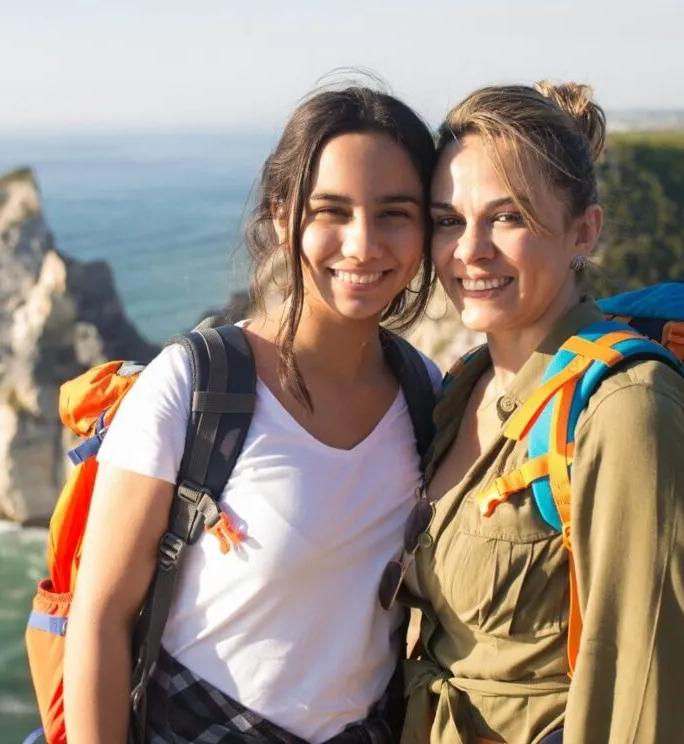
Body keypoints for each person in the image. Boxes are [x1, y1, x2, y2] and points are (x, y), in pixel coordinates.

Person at [62, 84, 442, 744]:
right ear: (280, 215)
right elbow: (99, 619)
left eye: (394, 213)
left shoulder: (424, 390)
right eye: (332, 211)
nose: (362, 243)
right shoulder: (193, 385)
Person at [388, 81, 684, 743]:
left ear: (584, 231)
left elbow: (642, 698)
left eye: (509, 216)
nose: (470, 249)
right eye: (449, 220)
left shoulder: (627, 411)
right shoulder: (466, 387)